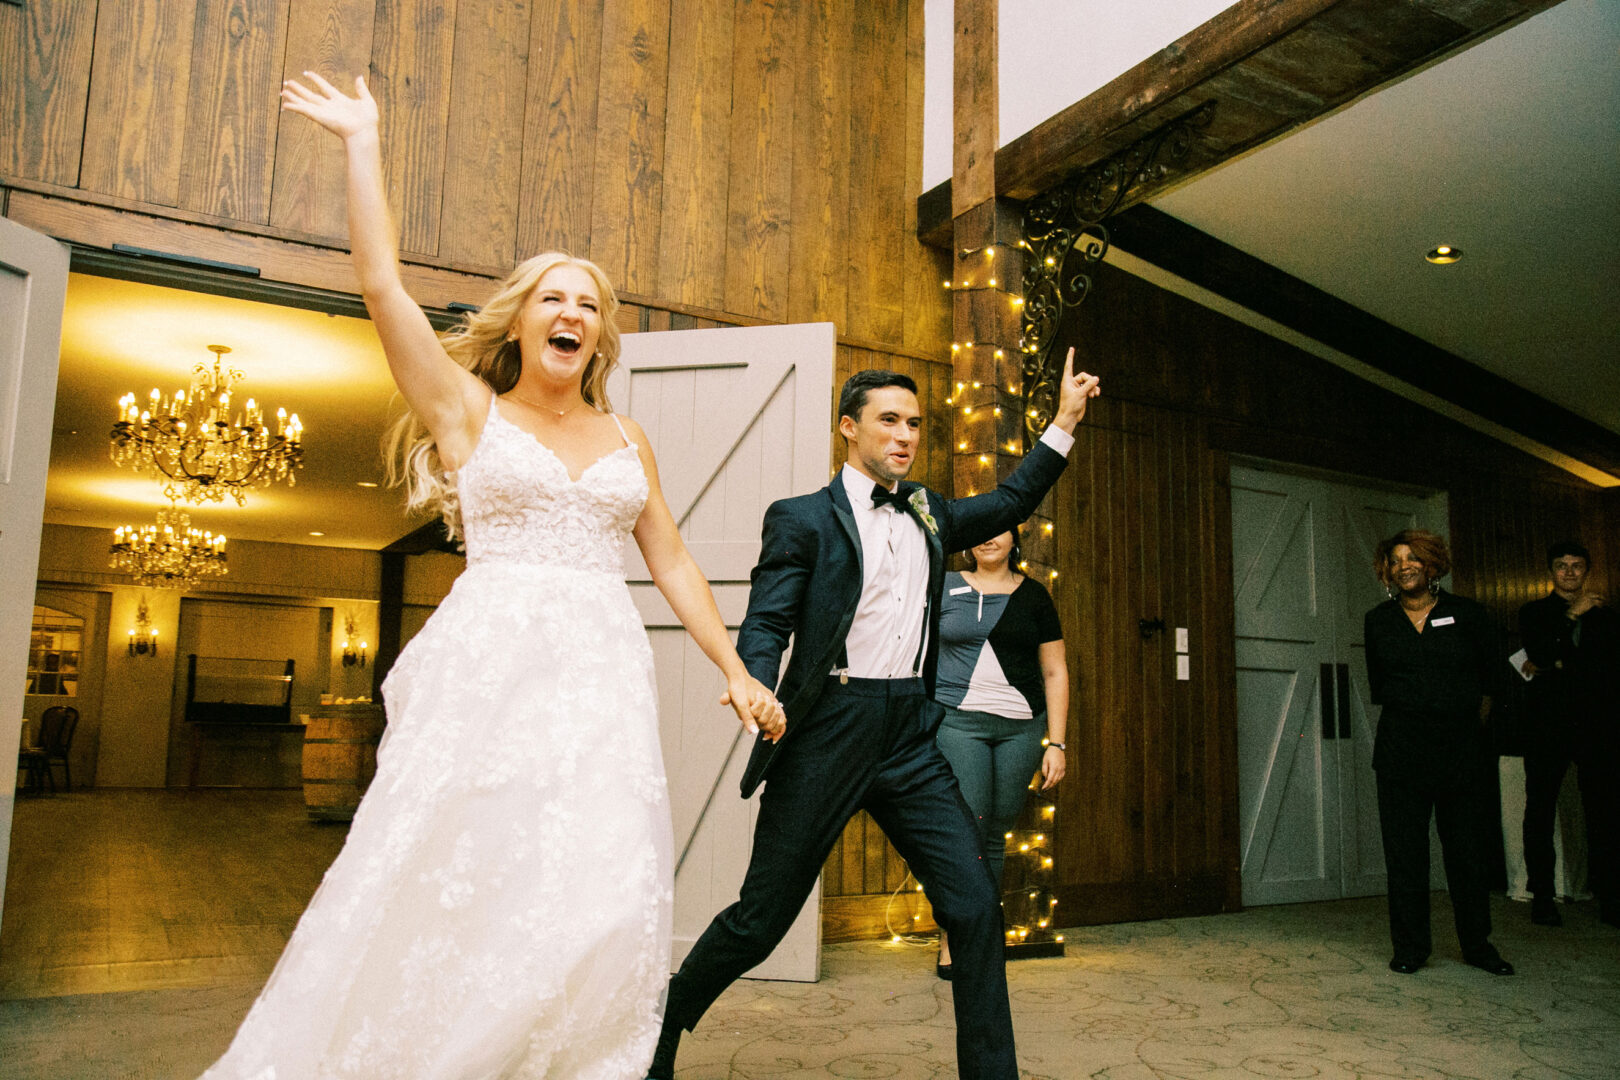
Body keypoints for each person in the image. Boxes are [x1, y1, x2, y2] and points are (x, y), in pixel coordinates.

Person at [199, 73, 783, 1079]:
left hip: (598, 670)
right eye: (554, 297)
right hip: (491, 658)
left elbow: (673, 559)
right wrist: (362, 142)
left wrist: (733, 668)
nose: (573, 312)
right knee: (456, 867)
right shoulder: (468, 411)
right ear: (520, 322)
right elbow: (382, 284)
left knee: (594, 882)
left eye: (589, 304)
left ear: (598, 334)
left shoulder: (625, 435)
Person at [649, 357, 1101, 1080]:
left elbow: (1011, 498)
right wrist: (755, 685)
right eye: (889, 420)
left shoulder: (928, 509)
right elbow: (766, 623)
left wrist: (1065, 424)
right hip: (828, 728)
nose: (905, 435)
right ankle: (664, 1021)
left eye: (915, 423)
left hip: (908, 735)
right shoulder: (800, 518)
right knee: (761, 921)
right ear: (848, 427)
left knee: (977, 905)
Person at [1363, 529, 1513, 976]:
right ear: (1387, 571)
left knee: (1466, 854)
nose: (1404, 565)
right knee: (1405, 857)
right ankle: (1410, 948)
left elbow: (1489, 684)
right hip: (1400, 753)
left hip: (1459, 753)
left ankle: (1477, 946)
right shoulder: (1378, 620)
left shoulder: (1467, 614)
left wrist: (1463, 728)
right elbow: (1381, 685)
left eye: (1414, 558)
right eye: (1396, 560)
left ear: (1432, 564)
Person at [932, 529, 1068, 980]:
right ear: (967, 542)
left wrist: (1057, 742)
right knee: (967, 833)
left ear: (1015, 539)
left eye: (999, 531)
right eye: (980, 532)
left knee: (995, 835)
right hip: (956, 723)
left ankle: (982, 935)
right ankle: (954, 935)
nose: (989, 539)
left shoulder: (1034, 596)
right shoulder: (943, 583)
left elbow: (1055, 671)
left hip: (1021, 730)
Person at [1518, 539, 1620, 927]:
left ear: (1587, 571)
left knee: (1605, 812)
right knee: (1540, 810)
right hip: (1548, 725)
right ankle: (1541, 897)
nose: (1570, 572)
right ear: (1551, 571)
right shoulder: (1535, 612)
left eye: (1577, 566)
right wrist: (1571, 616)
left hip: (1597, 726)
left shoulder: (1607, 618)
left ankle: (1610, 897)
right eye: (1562, 565)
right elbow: (1539, 656)